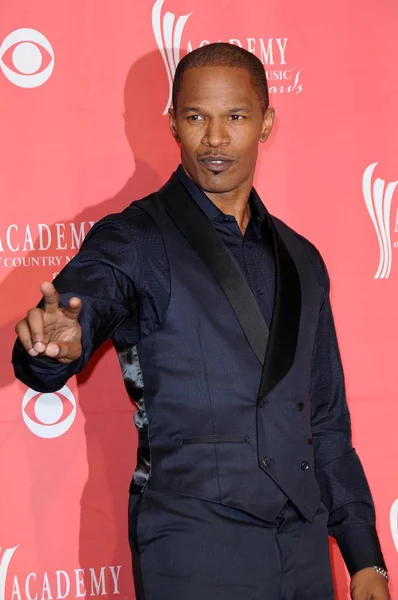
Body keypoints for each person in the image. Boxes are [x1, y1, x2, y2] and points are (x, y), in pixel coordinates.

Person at [13, 43, 390, 600]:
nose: (214, 138)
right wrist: (51, 348)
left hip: (305, 555)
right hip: (193, 553)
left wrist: (364, 559)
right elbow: (79, 307)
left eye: (235, 117)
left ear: (266, 124)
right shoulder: (135, 238)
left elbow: (327, 423)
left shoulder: (303, 258)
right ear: (172, 123)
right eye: (196, 117)